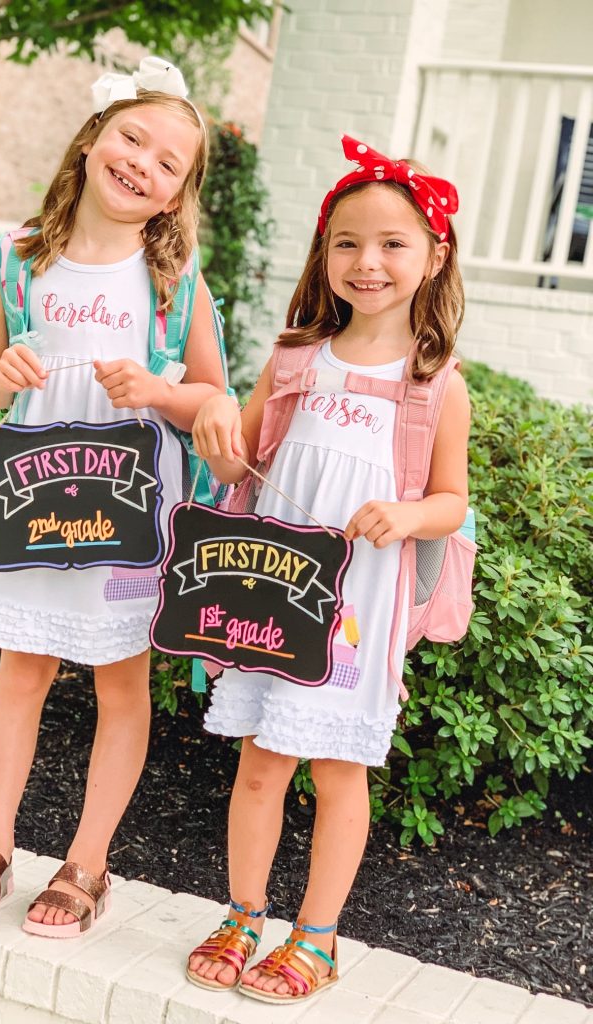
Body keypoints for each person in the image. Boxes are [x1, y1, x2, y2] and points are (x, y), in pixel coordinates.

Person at [0, 58, 227, 936]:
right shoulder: (22, 258)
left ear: (177, 195)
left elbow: (215, 399)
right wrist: (5, 371)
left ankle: (89, 863)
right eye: (132, 136)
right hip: (34, 505)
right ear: (94, 138)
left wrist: (160, 391)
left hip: (128, 514)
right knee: (19, 671)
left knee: (119, 682)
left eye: (168, 161)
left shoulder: (173, 281)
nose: (142, 161)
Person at [186, 135, 470, 1003]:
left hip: (358, 605)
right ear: (324, 254)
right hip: (273, 596)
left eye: (391, 243)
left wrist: (409, 513)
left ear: (433, 255)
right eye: (347, 242)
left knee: (336, 769)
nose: (367, 261)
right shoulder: (294, 359)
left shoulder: (434, 382)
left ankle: (318, 936)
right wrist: (214, 436)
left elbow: (452, 500)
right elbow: (243, 468)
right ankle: (243, 914)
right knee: (260, 762)